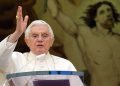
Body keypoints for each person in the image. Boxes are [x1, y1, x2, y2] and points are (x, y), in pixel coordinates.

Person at [0, 6, 84, 86]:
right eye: (35, 36)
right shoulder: (16, 59)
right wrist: (17, 33)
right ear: (27, 41)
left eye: (44, 35)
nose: (40, 39)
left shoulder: (65, 65)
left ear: (51, 41)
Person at [78, 1, 120, 86]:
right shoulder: (87, 35)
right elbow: (59, 17)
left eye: (109, 10)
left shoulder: (118, 39)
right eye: (102, 12)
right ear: (95, 18)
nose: (108, 14)